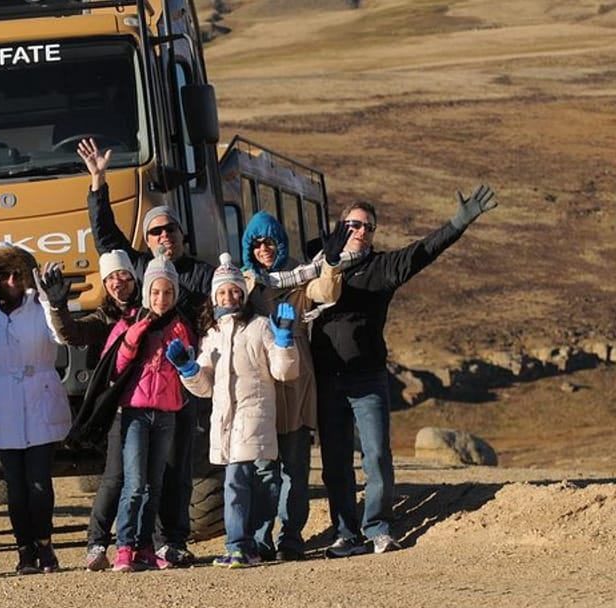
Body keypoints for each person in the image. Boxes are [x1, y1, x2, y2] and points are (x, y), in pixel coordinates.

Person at [314, 185, 497, 557]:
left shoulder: (382, 268)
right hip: (326, 379)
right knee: (335, 463)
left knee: (377, 456)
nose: (362, 232)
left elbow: (422, 252)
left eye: (369, 227)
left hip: (367, 378)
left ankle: (377, 527)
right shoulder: (315, 264)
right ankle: (345, 533)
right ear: (340, 226)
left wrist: (457, 224)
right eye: (355, 225)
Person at [79, 137, 214, 566]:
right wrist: (98, 182)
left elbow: (230, 298)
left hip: (184, 389)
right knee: (140, 475)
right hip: (141, 394)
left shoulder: (201, 274)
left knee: (178, 470)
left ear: (181, 234)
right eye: (155, 231)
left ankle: (173, 539)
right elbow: (106, 236)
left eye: (169, 229)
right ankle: (138, 542)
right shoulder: (139, 268)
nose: (163, 236)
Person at [167, 253, 301, 568]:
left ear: (243, 293)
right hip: (226, 420)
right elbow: (205, 387)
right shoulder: (211, 335)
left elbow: (284, 372)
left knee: (248, 481)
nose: (229, 296)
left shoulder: (260, 327)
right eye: (223, 292)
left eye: (234, 291)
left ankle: (245, 544)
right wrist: (188, 370)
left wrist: (284, 341)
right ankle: (246, 544)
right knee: (245, 481)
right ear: (214, 296)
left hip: (255, 416)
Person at [240, 211, 350, 561]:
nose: (263, 249)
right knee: (262, 468)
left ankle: (291, 537)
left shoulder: (301, 276)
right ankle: (260, 537)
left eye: (270, 242)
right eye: (256, 244)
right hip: (260, 382)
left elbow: (326, 291)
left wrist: (330, 263)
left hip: (297, 380)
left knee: (295, 466)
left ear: (281, 243)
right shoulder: (245, 283)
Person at [0, 246, 73, 575]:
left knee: (39, 482)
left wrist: (55, 303)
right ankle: (24, 550)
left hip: (39, 398)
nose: (12, 280)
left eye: (18, 274)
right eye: (4, 275)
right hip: (2, 404)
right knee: (15, 486)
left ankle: (45, 545)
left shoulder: (39, 305)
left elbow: (61, 336)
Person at [35, 250, 140, 571]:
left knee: (150, 478)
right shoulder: (104, 319)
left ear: (134, 278)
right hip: (119, 408)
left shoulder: (150, 309)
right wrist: (57, 307)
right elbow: (71, 334)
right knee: (116, 476)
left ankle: (148, 542)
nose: (118, 283)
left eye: (123, 276)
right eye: (111, 278)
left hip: (154, 403)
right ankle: (97, 542)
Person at [103, 251, 195, 572]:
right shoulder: (131, 322)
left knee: (154, 485)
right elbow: (112, 367)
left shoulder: (180, 326)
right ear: (147, 292)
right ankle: (124, 546)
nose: (161, 299)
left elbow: (189, 370)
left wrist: (186, 362)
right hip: (136, 412)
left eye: (168, 292)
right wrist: (131, 340)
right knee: (135, 483)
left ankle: (145, 547)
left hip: (167, 412)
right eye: (156, 292)